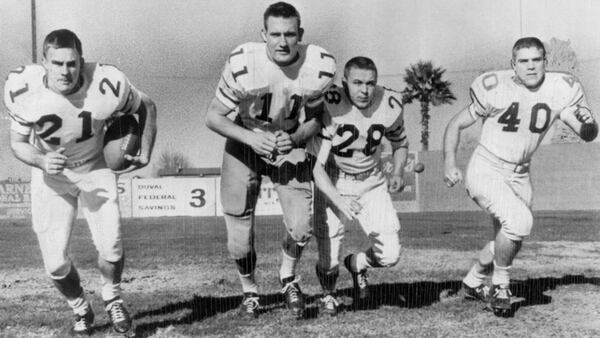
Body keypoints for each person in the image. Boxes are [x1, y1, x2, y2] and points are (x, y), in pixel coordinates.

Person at [4, 29, 157, 335]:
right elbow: (18, 143)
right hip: (52, 174)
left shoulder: (106, 82)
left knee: (111, 245)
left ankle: (112, 297)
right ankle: (80, 307)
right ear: (44, 63)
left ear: (81, 61)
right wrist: (41, 159)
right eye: (57, 63)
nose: (65, 71)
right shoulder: (22, 88)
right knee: (55, 263)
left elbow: (147, 107)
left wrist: (148, 149)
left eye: (72, 63)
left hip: (95, 167)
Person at [443, 37, 598, 317]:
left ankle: (473, 281)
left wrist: (588, 125)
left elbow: (582, 128)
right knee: (519, 221)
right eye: (523, 61)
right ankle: (501, 285)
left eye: (536, 60)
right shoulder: (495, 86)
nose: (530, 67)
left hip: (521, 172)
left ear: (545, 62)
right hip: (486, 167)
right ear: (512, 64)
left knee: (511, 236)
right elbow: (456, 123)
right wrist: (449, 162)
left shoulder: (560, 88)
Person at [205, 2, 336, 319]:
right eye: (275, 34)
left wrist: (292, 138)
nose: (282, 42)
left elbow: (318, 119)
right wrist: (253, 138)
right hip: (245, 139)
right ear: (263, 34)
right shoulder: (243, 61)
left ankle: (288, 277)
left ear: (299, 34)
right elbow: (213, 117)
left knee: (302, 226)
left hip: (288, 140)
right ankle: (250, 291)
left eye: (289, 34)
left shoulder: (318, 64)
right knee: (238, 235)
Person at [310, 56, 408, 315]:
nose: (365, 90)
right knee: (328, 258)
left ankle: (356, 264)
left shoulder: (390, 103)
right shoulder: (330, 103)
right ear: (344, 83)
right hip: (334, 181)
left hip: (372, 182)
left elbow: (400, 143)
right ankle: (328, 294)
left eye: (370, 83)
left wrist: (398, 170)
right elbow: (316, 167)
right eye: (357, 83)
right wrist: (339, 200)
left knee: (390, 255)